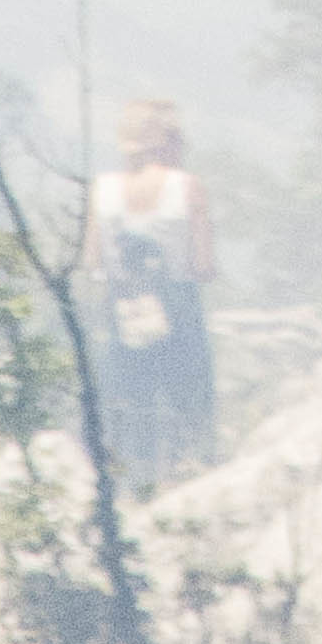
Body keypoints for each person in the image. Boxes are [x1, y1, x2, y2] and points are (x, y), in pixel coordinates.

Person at [83, 97, 218, 485]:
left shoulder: (102, 191)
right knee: (188, 404)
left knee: (130, 404)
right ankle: (184, 479)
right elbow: (203, 267)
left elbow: (92, 262)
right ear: (170, 142)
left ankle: (132, 487)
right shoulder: (187, 187)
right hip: (178, 309)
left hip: (122, 310)